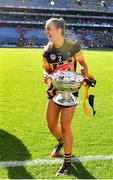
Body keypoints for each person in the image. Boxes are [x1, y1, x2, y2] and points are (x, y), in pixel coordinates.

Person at [43, 18, 89, 176]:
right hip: (54, 91)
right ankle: (60, 141)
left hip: (70, 91)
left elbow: (83, 64)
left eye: (49, 29)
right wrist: (46, 76)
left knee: (65, 125)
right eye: (46, 29)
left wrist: (84, 71)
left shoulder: (73, 45)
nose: (46, 32)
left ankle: (67, 162)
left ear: (58, 30)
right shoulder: (47, 51)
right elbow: (46, 70)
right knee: (50, 124)